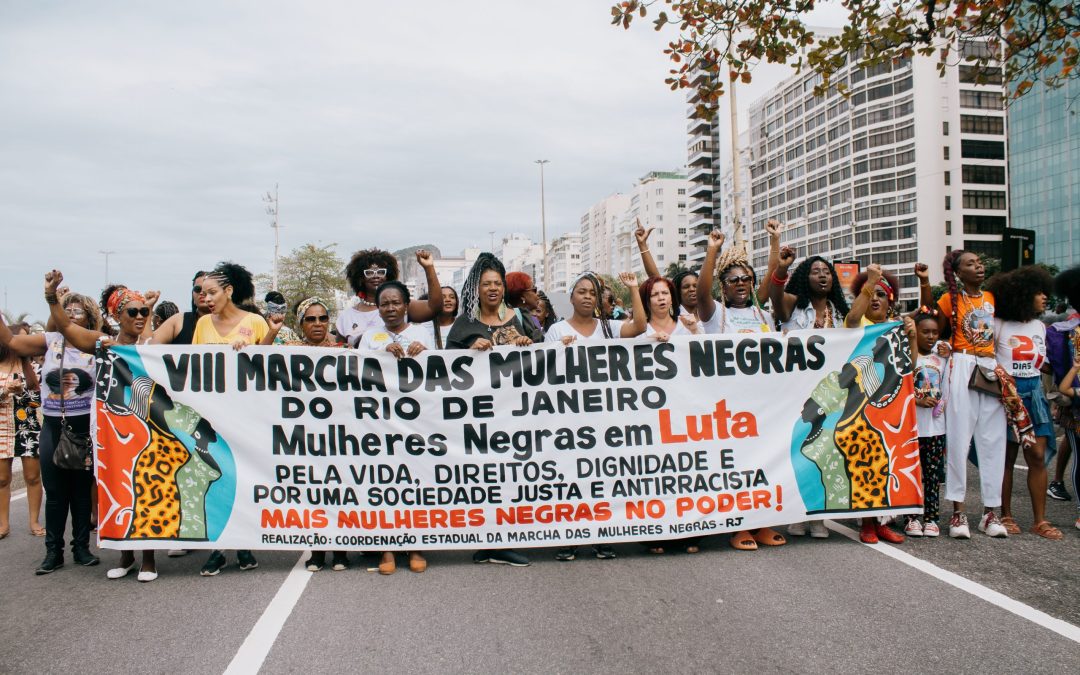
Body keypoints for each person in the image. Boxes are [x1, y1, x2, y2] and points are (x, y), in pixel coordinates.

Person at [44, 272, 166, 579]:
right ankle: (125, 556)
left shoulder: (152, 343)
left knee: (146, 485)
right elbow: (67, 327)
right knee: (116, 487)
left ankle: (149, 559)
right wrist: (51, 297)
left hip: (145, 426)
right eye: (133, 312)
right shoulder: (103, 344)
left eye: (144, 312)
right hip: (110, 428)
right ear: (117, 316)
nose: (140, 317)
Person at [446, 253, 542, 567]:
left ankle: (503, 539)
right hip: (478, 418)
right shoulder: (464, 324)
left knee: (512, 478)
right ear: (476, 287)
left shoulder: (519, 317)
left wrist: (528, 345)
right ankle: (490, 541)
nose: (492, 289)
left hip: (517, 416)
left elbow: (546, 359)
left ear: (503, 287)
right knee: (485, 479)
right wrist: (469, 350)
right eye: (486, 283)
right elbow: (445, 369)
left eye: (497, 283)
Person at [0, 286, 103, 574]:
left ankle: (81, 548)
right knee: (55, 492)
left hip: (84, 426)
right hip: (53, 425)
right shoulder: (49, 341)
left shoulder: (95, 341)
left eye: (77, 311)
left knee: (82, 491)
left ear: (90, 317)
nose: (70, 315)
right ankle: (53, 553)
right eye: (66, 310)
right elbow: (10, 340)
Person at [545, 271, 646, 561]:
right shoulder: (556, 331)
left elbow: (639, 325)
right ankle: (569, 537)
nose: (587, 297)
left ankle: (602, 535)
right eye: (582, 291)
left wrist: (633, 288)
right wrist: (558, 351)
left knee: (601, 479)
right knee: (570, 480)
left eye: (593, 292)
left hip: (604, 421)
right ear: (571, 297)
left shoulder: (609, 328)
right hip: (569, 421)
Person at [696, 229, 787, 551]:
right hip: (730, 407)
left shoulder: (761, 312)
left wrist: (775, 244)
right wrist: (712, 251)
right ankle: (739, 527)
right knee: (737, 467)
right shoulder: (715, 314)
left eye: (746, 279)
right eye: (733, 280)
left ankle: (761, 523)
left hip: (763, 405)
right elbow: (703, 290)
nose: (741, 284)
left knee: (762, 464)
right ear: (724, 286)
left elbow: (773, 278)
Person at [932, 250, 1011, 539]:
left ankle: (990, 513)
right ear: (957, 272)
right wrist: (942, 349)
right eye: (971, 264)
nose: (978, 267)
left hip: (990, 368)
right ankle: (958, 512)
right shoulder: (948, 300)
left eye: (980, 262)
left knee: (993, 441)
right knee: (959, 440)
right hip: (961, 365)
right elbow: (935, 332)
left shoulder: (992, 298)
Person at [194, 262, 267, 576]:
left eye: (212, 292)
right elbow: (194, 368)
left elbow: (271, 364)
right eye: (201, 292)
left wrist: (250, 350)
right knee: (215, 480)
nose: (206, 297)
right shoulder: (202, 326)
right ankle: (217, 548)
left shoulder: (255, 322)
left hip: (247, 416)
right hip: (212, 418)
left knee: (244, 478)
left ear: (229, 291)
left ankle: (245, 544)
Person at [357, 281, 433, 574]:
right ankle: (386, 549)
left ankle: (415, 546)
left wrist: (423, 351)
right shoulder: (369, 337)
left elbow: (440, 371)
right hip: (380, 422)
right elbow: (359, 373)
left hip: (416, 420)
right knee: (385, 484)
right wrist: (379, 354)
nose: (390, 308)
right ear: (378, 307)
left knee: (415, 482)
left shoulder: (421, 332)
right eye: (384, 303)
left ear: (406, 305)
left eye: (396, 303)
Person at [270, 297, 349, 571]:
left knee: (339, 492)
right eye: (310, 319)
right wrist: (269, 332)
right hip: (304, 436)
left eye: (323, 318)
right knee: (312, 493)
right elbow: (256, 358)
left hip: (340, 435)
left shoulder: (346, 350)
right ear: (301, 323)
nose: (317, 324)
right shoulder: (290, 350)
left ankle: (340, 551)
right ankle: (317, 551)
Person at [987, 267, 1063, 539]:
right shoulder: (998, 325)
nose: (1044, 298)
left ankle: (1040, 521)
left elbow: (1041, 363)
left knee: (1037, 457)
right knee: (1006, 458)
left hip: (1035, 395)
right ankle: (1005, 514)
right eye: (1038, 292)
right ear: (1021, 295)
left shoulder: (1040, 326)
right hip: (1007, 396)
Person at [903, 309, 950, 538]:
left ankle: (932, 518)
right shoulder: (907, 358)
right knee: (911, 474)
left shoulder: (941, 359)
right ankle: (911, 517)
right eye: (925, 332)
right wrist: (917, 400)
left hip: (935, 428)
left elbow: (948, 390)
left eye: (935, 332)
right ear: (915, 333)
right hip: (911, 428)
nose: (930, 337)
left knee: (932, 477)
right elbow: (901, 391)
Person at [338, 249, 442, 347]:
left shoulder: (401, 307)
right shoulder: (346, 317)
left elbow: (434, 307)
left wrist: (429, 268)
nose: (376, 276)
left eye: (381, 272)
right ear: (360, 278)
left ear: (388, 276)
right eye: (369, 273)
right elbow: (339, 353)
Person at [1, 329, 43, 540]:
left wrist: (22, 392)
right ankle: (3, 524)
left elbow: (39, 400)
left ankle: (34, 522)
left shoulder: (31, 367)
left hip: (27, 428)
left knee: (33, 477)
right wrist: (5, 392)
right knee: (2, 479)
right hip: (1, 430)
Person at [635, 221, 699, 317]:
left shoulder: (711, 312)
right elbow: (655, 278)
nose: (692, 289)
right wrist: (642, 245)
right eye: (686, 287)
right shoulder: (674, 314)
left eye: (696, 286)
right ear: (677, 291)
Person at [153, 270, 210, 345]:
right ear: (192, 294)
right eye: (198, 289)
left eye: (208, 289)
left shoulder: (230, 323)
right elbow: (147, 345)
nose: (202, 293)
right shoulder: (178, 321)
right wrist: (148, 307)